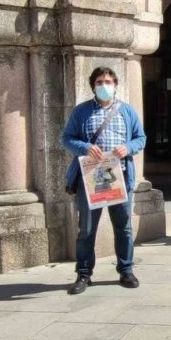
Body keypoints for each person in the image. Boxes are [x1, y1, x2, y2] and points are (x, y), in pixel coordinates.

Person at [62, 66, 146, 295]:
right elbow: (67, 139)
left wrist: (128, 147)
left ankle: (126, 270)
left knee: (124, 227)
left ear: (115, 84)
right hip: (91, 178)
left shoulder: (127, 111)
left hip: (120, 177)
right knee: (87, 229)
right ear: (93, 86)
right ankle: (84, 274)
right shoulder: (81, 112)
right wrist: (86, 147)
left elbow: (141, 138)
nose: (104, 85)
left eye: (108, 81)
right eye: (99, 82)